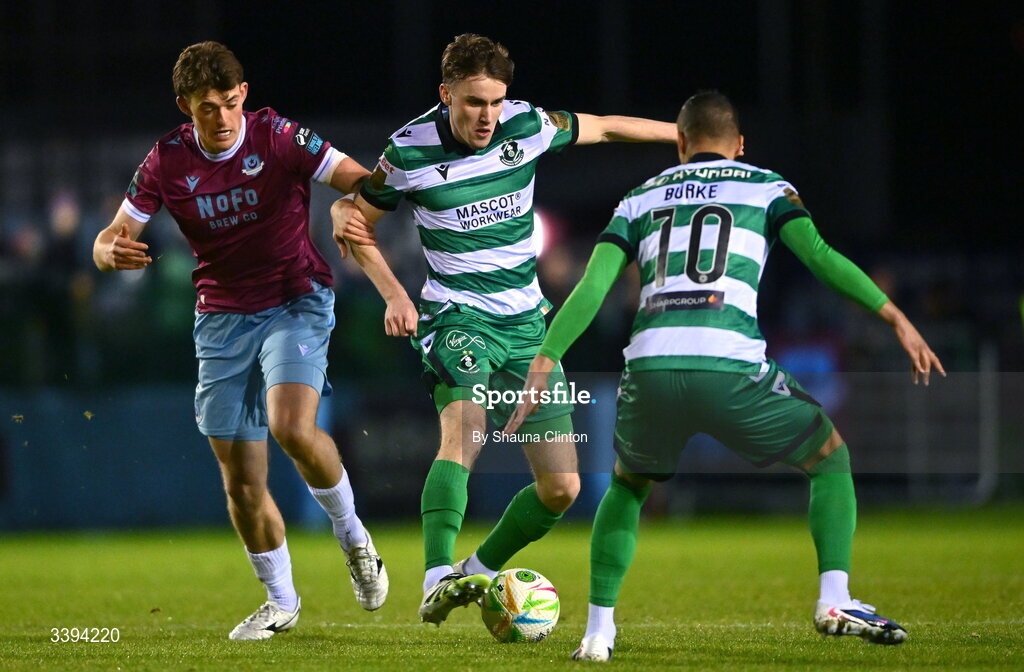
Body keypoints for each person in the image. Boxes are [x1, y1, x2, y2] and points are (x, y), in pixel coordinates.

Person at [505, 91, 945, 661]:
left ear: (681, 143)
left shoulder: (640, 196)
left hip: (650, 364)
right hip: (729, 361)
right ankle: (834, 597)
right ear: (739, 146)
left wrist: (543, 361)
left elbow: (592, 288)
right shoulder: (765, 185)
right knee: (829, 457)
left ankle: (597, 633)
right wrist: (895, 317)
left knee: (628, 487)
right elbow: (819, 256)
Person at [332, 33, 677, 625]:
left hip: (527, 327)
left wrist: (684, 138)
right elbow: (350, 218)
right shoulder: (408, 151)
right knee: (464, 433)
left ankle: (477, 571)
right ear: (446, 95)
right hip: (456, 317)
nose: (488, 116)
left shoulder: (527, 126)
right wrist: (394, 293)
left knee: (561, 489)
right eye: (473, 103)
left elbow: (607, 126)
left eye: (495, 101)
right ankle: (436, 573)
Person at [92, 41, 417, 640]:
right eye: (203, 108)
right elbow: (112, 235)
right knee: (241, 478)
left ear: (243, 95)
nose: (218, 118)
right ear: (184, 107)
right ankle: (281, 600)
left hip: (297, 300)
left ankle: (355, 541)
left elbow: (362, 181)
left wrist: (361, 203)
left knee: (291, 425)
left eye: (226, 103)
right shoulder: (164, 161)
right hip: (220, 319)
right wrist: (108, 250)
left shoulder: (278, 136)